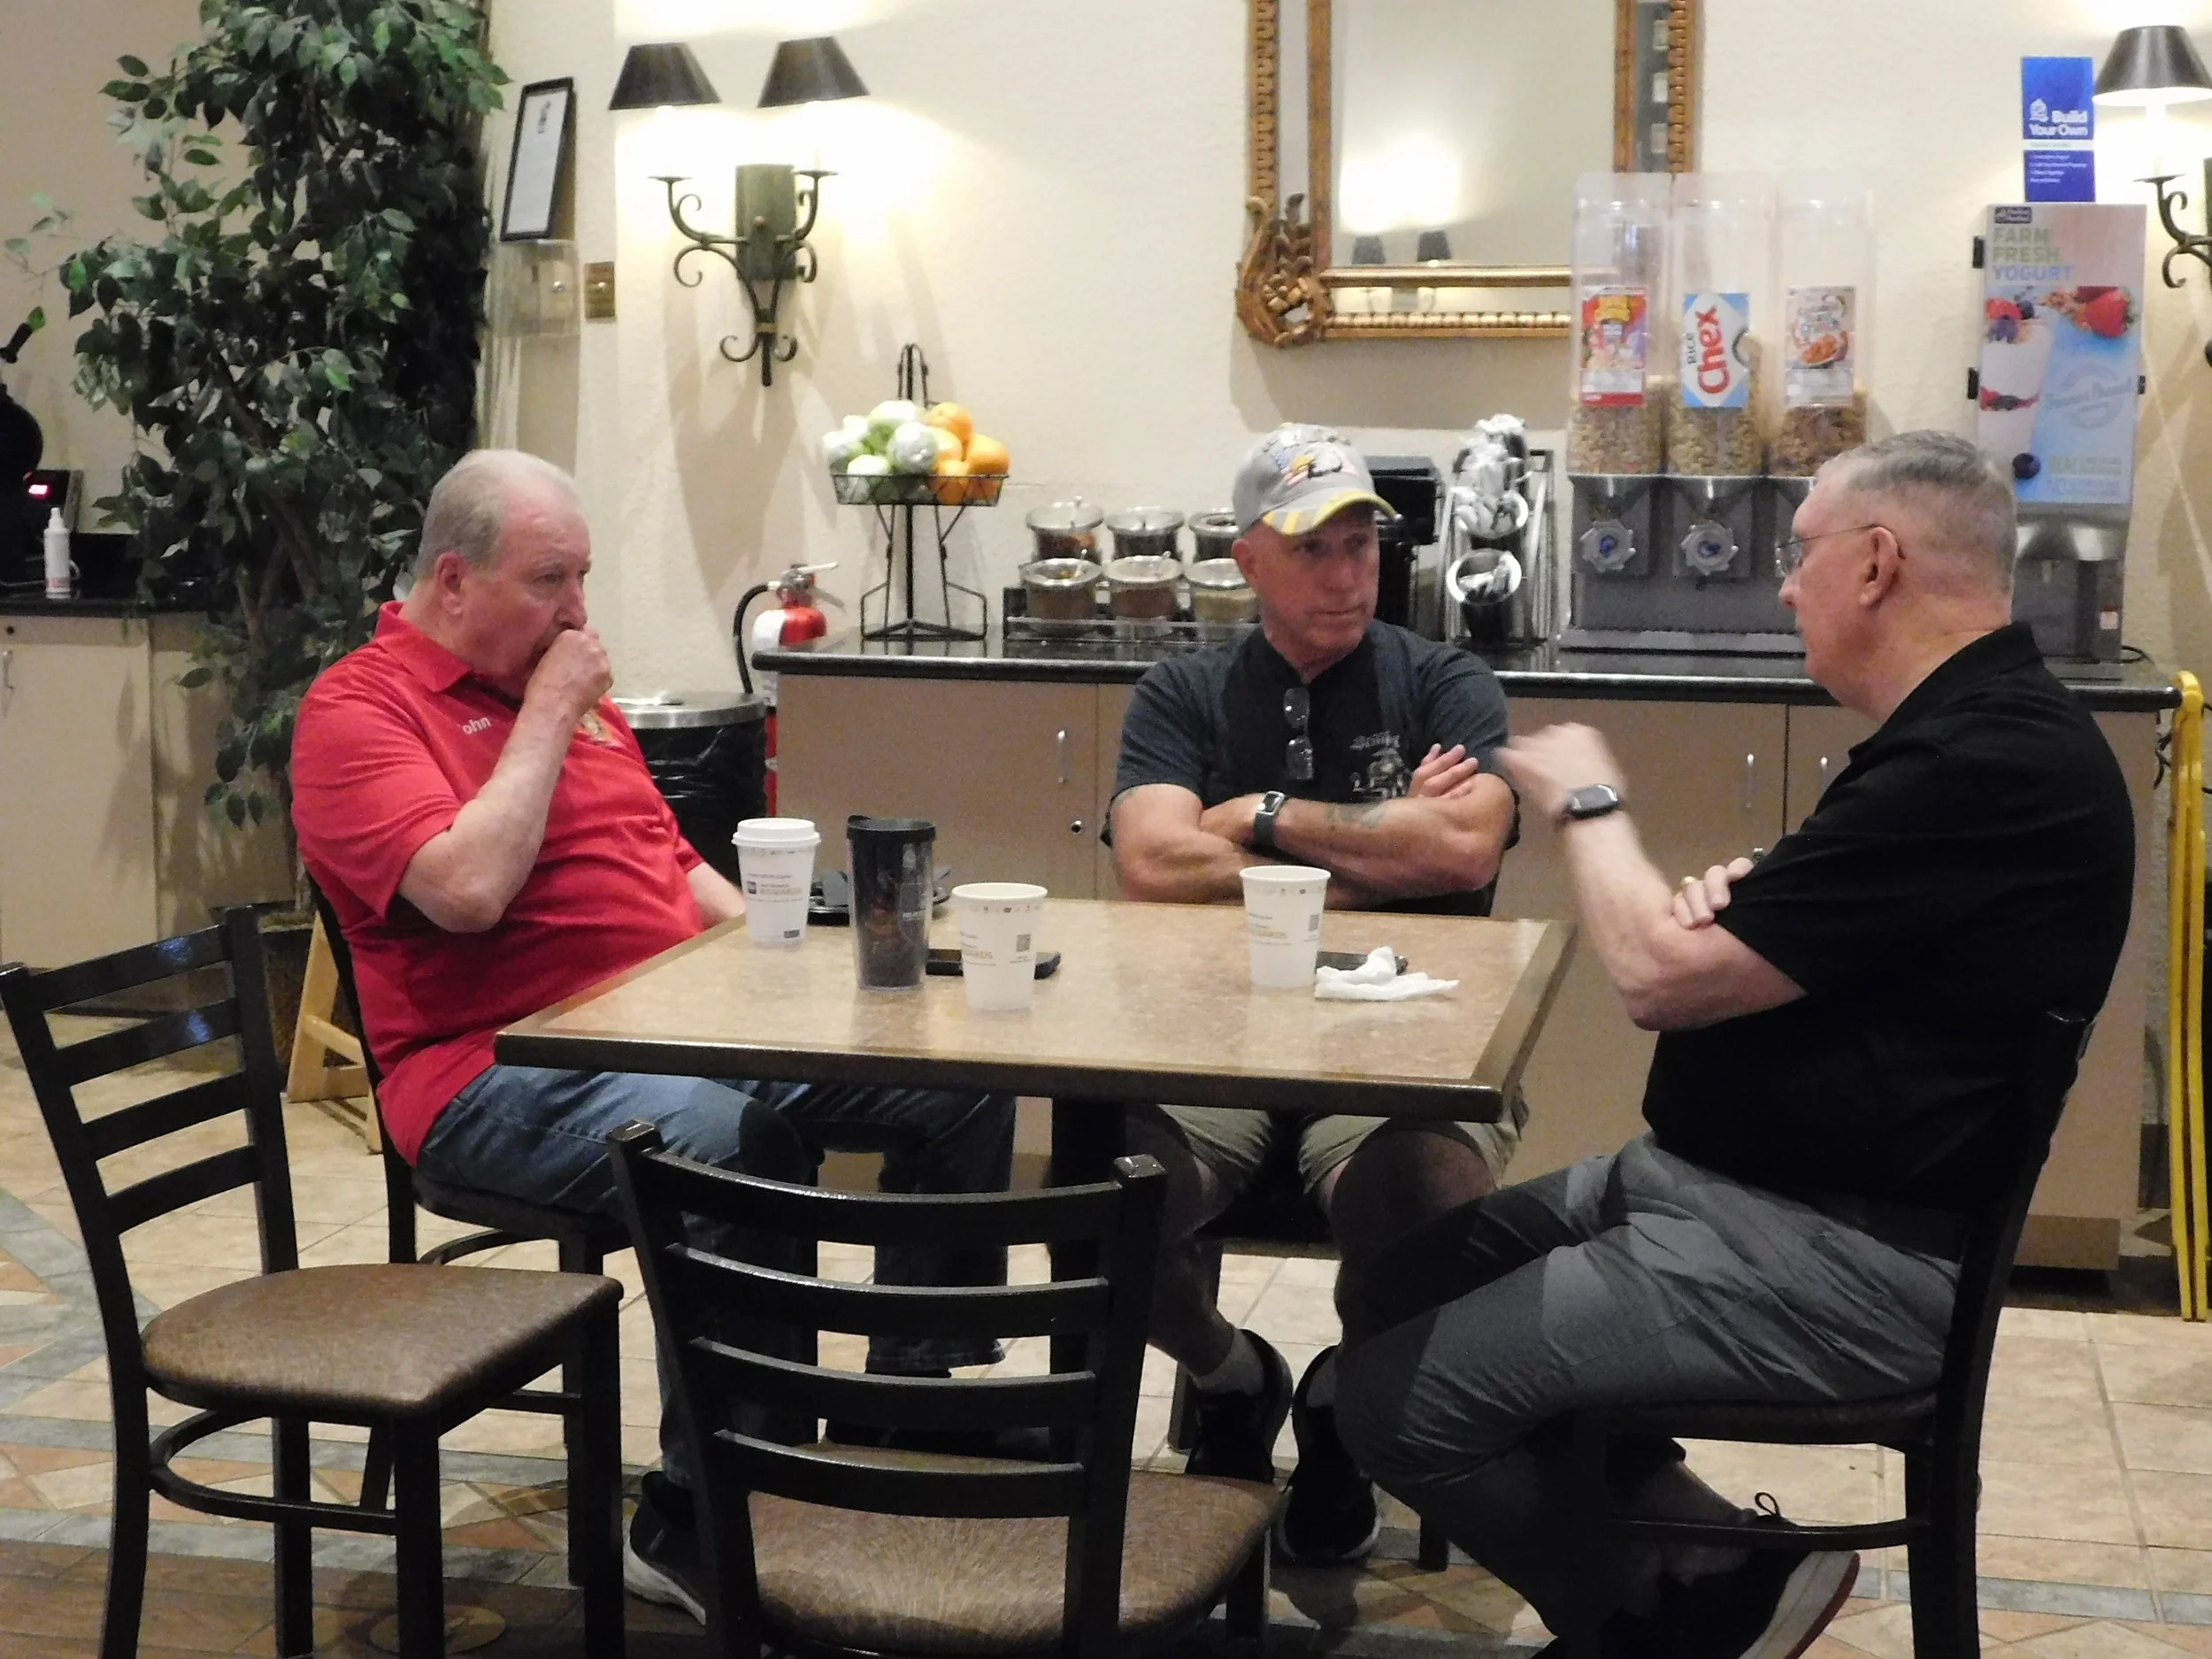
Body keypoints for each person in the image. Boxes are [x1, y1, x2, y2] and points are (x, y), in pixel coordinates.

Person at [1334, 431, 2136, 1658]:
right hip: (1728, 1195)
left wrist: (1589, 802)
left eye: (1799, 553)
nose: (1784, 587)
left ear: (1877, 563)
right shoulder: (1966, 736)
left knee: (1392, 1406)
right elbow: (1799, 939)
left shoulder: (1986, 759)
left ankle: (1663, 1625)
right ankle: (1717, 1558)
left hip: (1835, 1258)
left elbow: (1658, 977)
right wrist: (1751, 897)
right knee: (1398, 1284)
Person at [290, 449, 1016, 1625]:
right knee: (733, 1146)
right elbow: (465, 890)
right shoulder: (358, 711)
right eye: (550, 580)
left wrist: (814, 979)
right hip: (492, 1071)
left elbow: (671, 866)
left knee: (947, 1076)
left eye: (583, 577)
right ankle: (709, 1509)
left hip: (669, 1025)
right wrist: (546, 712)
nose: (578, 611)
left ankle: (910, 1412)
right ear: (454, 579)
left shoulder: (563, 690)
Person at [1108, 426, 1521, 1563]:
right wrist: (1383, 850)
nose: (1346, 574)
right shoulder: (1184, 690)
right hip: (1211, 1034)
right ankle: (1230, 1375)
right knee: (1109, 1202)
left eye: (1361, 546)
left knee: (1423, 1200)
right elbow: (1152, 862)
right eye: (1312, 550)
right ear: (1246, 559)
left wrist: (1259, 818)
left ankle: (1346, 1403)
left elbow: (1465, 851)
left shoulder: (1444, 681)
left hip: (1408, 1036)